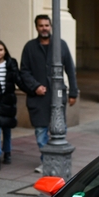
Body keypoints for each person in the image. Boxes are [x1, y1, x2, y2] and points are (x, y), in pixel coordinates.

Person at [20, 14, 78, 173]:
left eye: (46, 25)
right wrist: (35, 86)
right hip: (38, 97)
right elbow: (24, 71)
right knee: (40, 132)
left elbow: (70, 70)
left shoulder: (61, 45)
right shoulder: (29, 47)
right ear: (36, 27)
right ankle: (45, 160)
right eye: (41, 25)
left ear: (50, 26)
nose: (44, 28)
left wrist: (73, 92)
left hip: (57, 96)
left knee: (59, 129)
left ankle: (56, 159)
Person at [0, 40, 24, 170]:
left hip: (8, 101)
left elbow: (18, 79)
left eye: (1, 50)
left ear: (5, 51)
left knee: (7, 130)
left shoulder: (11, 63)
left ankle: (7, 152)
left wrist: (31, 90)